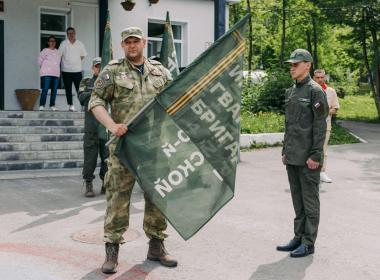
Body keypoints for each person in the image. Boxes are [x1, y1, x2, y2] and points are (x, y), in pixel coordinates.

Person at [88, 27, 177, 274]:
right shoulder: (112, 71)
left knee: (158, 198)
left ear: (144, 43)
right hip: (123, 149)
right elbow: (95, 102)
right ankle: (112, 252)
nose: (131, 46)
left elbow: (177, 102)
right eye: (127, 42)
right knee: (117, 199)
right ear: (122, 45)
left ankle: (156, 246)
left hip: (154, 148)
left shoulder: (161, 72)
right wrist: (111, 125)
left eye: (135, 41)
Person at [277, 49, 328, 258]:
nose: (292, 67)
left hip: (308, 159)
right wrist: (284, 150)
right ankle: (298, 237)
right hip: (293, 156)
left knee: (310, 202)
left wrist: (316, 156)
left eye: (296, 64)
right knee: (297, 201)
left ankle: (308, 242)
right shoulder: (291, 92)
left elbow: (320, 125)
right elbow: (290, 126)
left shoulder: (315, 91)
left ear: (307, 65)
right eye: (291, 64)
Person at [78, 57, 108, 197]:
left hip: (105, 126)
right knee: (90, 157)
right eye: (97, 66)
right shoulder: (86, 81)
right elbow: (82, 97)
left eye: (101, 66)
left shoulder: (110, 81)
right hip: (91, 126)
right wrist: (97, 91)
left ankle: (105, 183)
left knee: (107, 157)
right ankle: (89, 184)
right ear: (93, 68)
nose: (99, 68)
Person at [313, 69, 340, 183]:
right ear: (314, 78)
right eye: (317, 77)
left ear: (325, 77)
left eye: (321, 77)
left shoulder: (331, 91)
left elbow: (335, 108)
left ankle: (322, 172)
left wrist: (325, 112)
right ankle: (311, 173)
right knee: (309, 148)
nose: (320, 79)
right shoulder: (310, 90)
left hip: (325, 125)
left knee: (323, 149)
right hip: (310, 125)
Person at [59, 27, 87, 112]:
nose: (71, 35)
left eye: (72, 33)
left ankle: (82, 105)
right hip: (66, 70)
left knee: (80, 89)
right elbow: (59, 55)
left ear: (75, 33)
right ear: (67, 35)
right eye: (69, 33)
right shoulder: (63, 44)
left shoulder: (80, 44)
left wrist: (75, 62)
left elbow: (83, 55)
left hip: (77, 70)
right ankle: (71, 105)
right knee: (68, 89)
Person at [37, 35, 61, 111]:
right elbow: (39, 61)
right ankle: (41, 105)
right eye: (51, 41)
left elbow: (59, 62)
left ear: (55, 43)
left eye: (53, 41)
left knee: (54, 90)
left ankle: (52, 105)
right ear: (48, 42)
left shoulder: (58, 52)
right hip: (46, 73)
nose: (52, 42)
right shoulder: (45, 50)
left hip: (55, 74)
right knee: (45, 89)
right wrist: (45, 68)